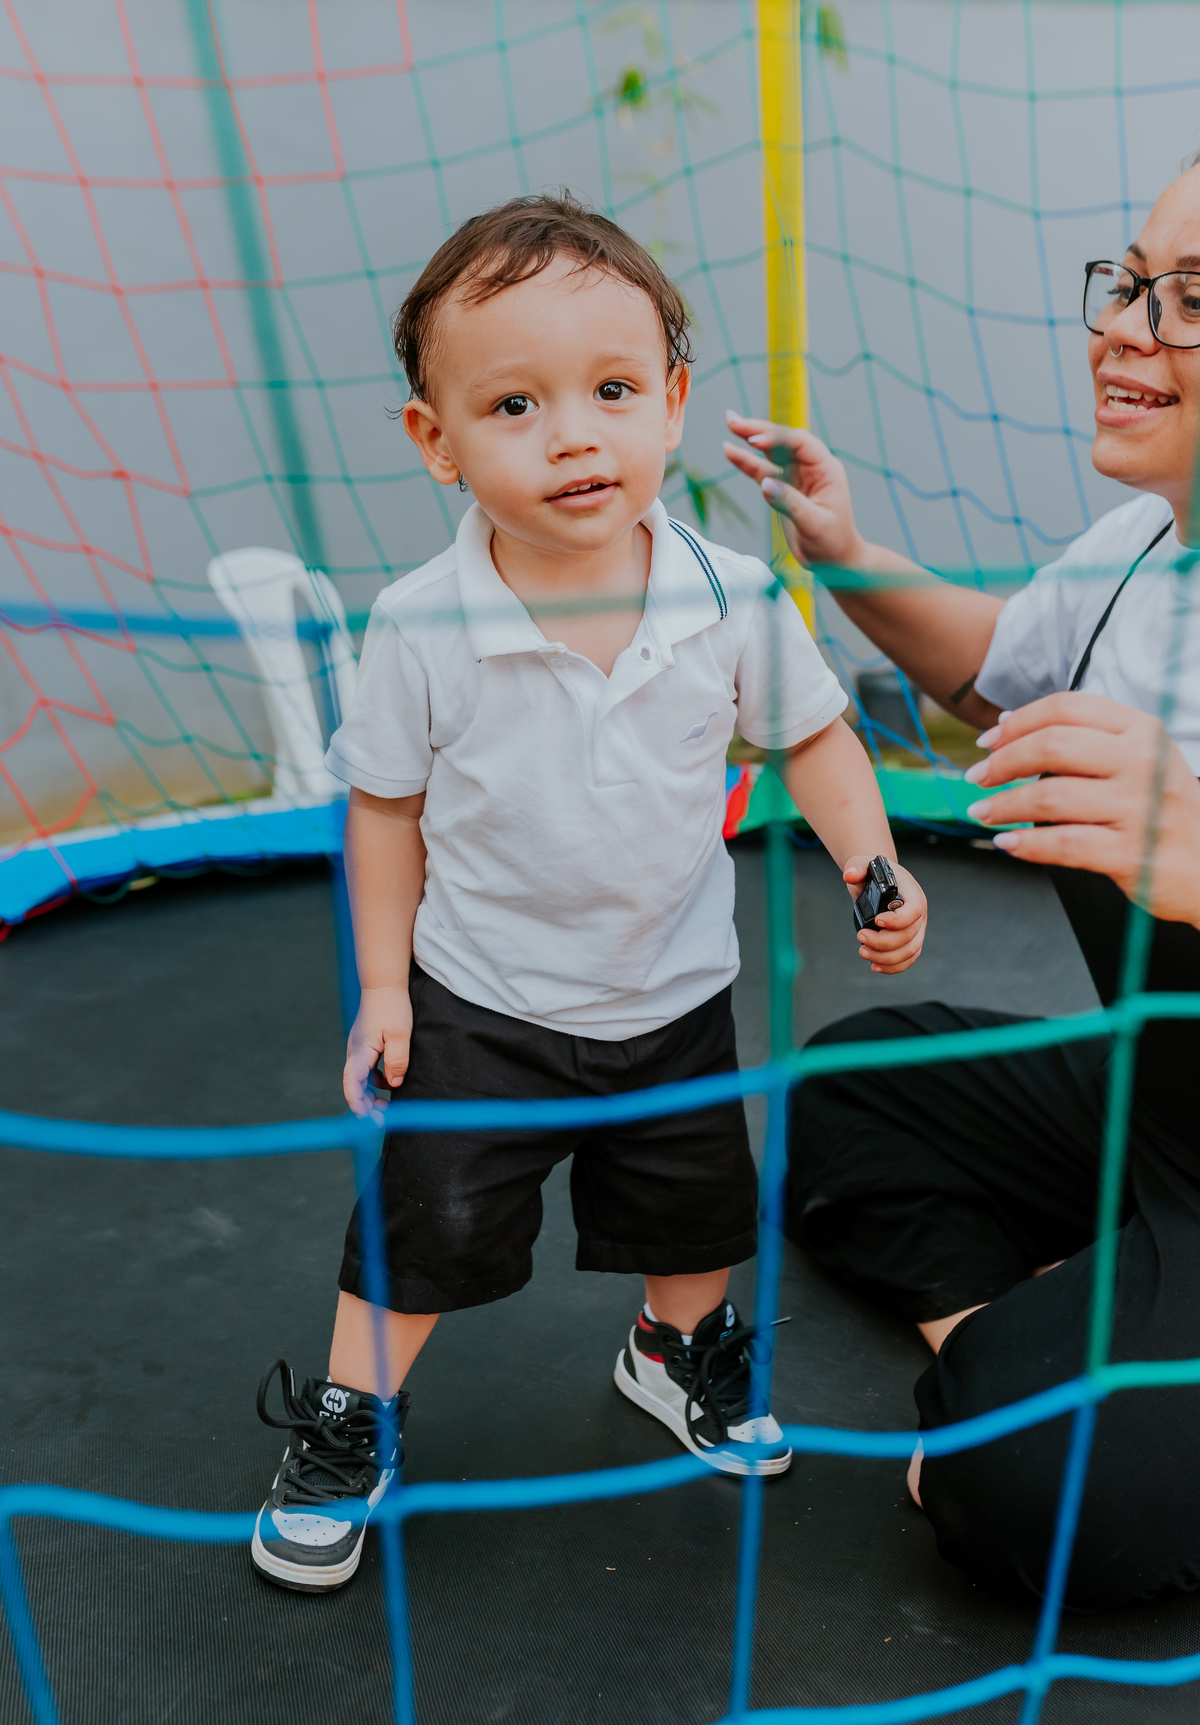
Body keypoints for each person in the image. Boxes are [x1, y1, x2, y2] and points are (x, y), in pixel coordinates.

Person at [249, 192, 929, 1594]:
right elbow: (382, 808)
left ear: (672, 403)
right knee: (420, 1227)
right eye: (514, 404)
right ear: (433, 442)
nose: (574, 433)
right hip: (480, 998)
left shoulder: (732, 596)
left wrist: (873, 862)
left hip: (673, 989)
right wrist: (385, 987)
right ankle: (352, 1414)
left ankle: (675, 1348)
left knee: (693, 1213)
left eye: (613, 389)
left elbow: (812, 734)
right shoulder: (420, 625)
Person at [725, 156, 1200, 1609]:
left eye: (1191, 302)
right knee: (840, 1095)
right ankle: (1058, 1343)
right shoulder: (1139, 554)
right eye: (1128, 280)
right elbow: (997, 671)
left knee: (1034, 1493)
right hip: (1166, 1105)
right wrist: (851, 555)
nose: (1125, 325)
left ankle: (1063, 1400)